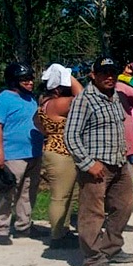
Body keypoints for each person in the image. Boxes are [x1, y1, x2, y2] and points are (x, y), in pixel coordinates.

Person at [64, 57, 133, 266]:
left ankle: (111, 247)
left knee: (123, 207)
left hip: (119, 162)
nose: (109, 77)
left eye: (112, 72)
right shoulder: (84, 99)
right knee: (92, 212)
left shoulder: (114, 98)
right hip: (96, 165)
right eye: (104, 73)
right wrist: (87, 163)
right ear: (93, 75)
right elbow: (71, 135)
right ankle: (93, 258)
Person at [0, 62, 44, 245]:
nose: (29, 82)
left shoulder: (31, 99)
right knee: (8, 192)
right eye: (24, 79)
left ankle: (23, 225)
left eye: (30, 78)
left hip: (34, 152)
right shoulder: (1, 100)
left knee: (28, 192)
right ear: (14, 80)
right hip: (13, 154)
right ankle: (1, 228)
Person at [37, 63, 84, 249]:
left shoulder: (44, 101)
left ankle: (63, 230)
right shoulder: (59, 103)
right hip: (60, 152)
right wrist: (71, 78)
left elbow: (37, 125)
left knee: (70, 195)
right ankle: (57, 235)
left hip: (59, 150)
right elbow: (82, 97)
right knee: (60, 196)